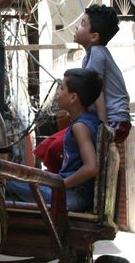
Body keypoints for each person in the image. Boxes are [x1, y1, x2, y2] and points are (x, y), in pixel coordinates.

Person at [34, 4, 131, 173]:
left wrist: (103, 126)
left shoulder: (97, 53)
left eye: (82, 24)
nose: (76, 27)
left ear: (94, 36)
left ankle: (65, 186)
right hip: (103, 119)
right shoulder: (91, 54)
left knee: (56, 147)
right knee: (49, 145)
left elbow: (97, 90)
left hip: (113, 121)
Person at [6, 68, 103, 212]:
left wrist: (60, 185)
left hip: (72, 197)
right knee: (13, 180)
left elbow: (91, 167)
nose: (57, 92)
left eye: (62, 88)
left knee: (4, 184)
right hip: (69, 193)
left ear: (73, 97)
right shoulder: (87, 121)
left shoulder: (80, 126)